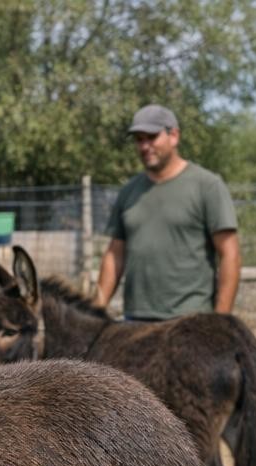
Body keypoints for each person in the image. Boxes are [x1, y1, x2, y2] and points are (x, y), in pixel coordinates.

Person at [95, 104, 240, 320]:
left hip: (190, 323)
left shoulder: (206, 185)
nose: (144, 146)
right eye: (139, 139)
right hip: (136, 323)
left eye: (151, 137)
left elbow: (230, 254)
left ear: (174, 136)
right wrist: (94, 311)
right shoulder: (129, 192)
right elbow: (114, 255)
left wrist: (221, 323)